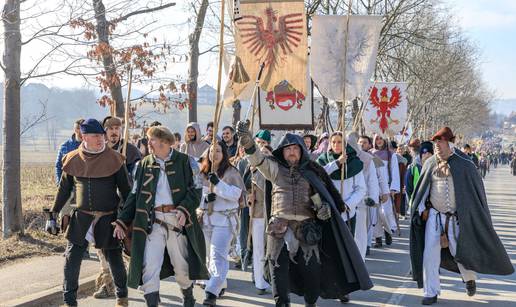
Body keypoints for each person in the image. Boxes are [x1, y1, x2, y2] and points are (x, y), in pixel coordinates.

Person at [237, 121, 373, 307]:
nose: (292, 152)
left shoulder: (312, 171)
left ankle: (310, 302)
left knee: (312, 271)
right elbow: (257, 159)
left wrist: (323, 209)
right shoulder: (275, 169)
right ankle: (282, 303)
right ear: (282, 152)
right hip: (279, 227)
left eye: (295, 148)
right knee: (278, 269)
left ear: (301, 150)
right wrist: (247, 141)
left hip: (307, 228)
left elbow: (319, 199)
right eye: (288, 149)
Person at [409, 127, 514, 305]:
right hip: (435, 217)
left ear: (450, 143)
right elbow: (422, 190)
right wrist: (420, 210)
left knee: (461, 252)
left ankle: (469, 278)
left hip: (458, 218)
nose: (437, 147)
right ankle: (430, 292)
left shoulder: (465, 164)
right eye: (435, 143)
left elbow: (475, 194)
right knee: (430, 255)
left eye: (440, 143)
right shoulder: (430, 164)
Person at [113, 125, 208, 307]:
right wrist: (122, 221)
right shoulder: (142, 165)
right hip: (152, 223)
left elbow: (196, 191)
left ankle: (188, 297)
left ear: (164, 142)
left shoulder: (187, 162)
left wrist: (184, 209)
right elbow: (133, 196)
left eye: (152, 140)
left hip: (177, 222)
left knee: (181, 268)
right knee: (150, 266)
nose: (148, 143)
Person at [47, 118, 131, 307]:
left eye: (101, 135)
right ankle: (69, 301)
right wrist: (53, 214)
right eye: (95, 136)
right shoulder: (72, 158)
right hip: (81, 217)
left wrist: (125, 219)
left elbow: (127, 192)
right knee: (72, 259)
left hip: (108, 217)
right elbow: (63, 190)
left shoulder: (115, 159)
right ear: (84, 136)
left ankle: (122, 298)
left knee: (114, 258)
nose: (101, 139)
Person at [197, 142, 245, 306]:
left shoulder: (232, 172)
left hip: (224, 221)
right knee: (209, 257)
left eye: (218, 151)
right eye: (212, 151)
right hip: (207, 219)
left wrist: (217, 184)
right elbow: (199, 198)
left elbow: (235, 195)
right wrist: (205, 200)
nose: (215, 154)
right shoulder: (203, 172)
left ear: (224, 153)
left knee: (218, 257)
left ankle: (211, 293)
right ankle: (217, 285)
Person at [315, 131, 366, 242]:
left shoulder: (354, 163)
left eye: (339, 142)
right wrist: (336, 163)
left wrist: (347, 205)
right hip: (328, 211)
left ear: (345, 144)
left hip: (347, 212)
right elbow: (318, 175)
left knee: (347, 245)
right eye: (333, 142)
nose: (336, 145)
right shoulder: (322, 160)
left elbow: (361, 189)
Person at [54, 118, 88, 258]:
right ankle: (69, 247)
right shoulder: (66, 146)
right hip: (67, 187)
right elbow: (58, 166)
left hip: (83, 188)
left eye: (82, 129)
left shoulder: (88, 147)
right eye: (77, 129)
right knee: (65, 217)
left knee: (81, 219)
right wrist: (59, 183)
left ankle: (83, 248)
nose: (80, 132)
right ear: (75, 130)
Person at [348, 132, 380, 258]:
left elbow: (372, 180)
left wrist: (372, 198)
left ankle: (360, 260)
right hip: (342, 204)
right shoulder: (338, 159)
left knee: (359, 233)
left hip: (361, 202)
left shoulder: (367, 159)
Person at [248, 132, 273, 294]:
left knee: (272, 249)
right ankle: (260, 281)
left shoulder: (274, 167)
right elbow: (240, 187)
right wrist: (247, 195)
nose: (262, 148)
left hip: (273, 213)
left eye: (265, 148)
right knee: (258, 249)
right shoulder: (247, 165)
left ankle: (272, 279)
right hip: (256, 213)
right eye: (259, 144)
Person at [371, 135, 400, 247]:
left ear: (385, 140)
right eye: (376, 139)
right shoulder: (370, 154)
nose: (378, 141)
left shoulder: (391, 155)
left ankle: (388, 232)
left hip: (386, 188)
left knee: (386, 213)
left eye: (381, 139)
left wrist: (393, 188)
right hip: (373, 188)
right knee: (375, 215)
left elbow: (394, 171)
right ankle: (378, 238)